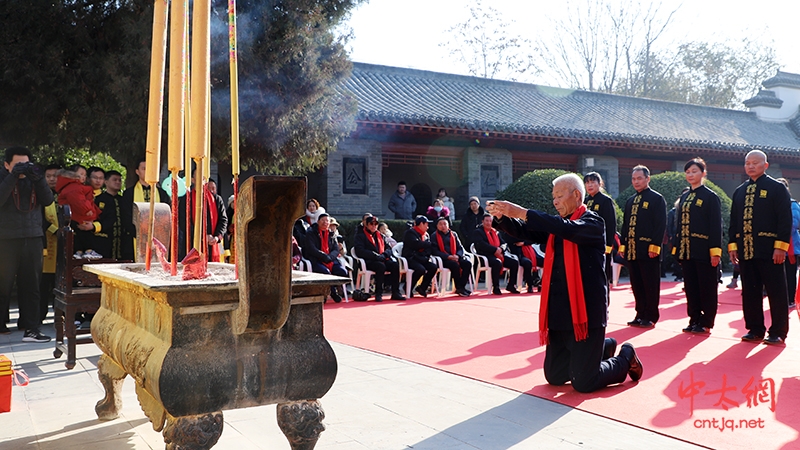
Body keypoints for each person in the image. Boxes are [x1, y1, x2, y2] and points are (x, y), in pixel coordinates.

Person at [486, 174, 642, 393]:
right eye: (554, 197)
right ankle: (603, 347)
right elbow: (524, 231)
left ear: (577, 195)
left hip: (586, 314)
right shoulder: (557, 226)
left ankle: (625, 357)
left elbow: (566, 229)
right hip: (560, 312)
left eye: (559, 195)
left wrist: (522, 212)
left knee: (584, 382)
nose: (555, 201)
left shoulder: (592, 223)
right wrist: (502, 217)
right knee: (555, 377)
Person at [729, 150, 791, 345]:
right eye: (747, 163)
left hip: (770, 250)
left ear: (765, 165)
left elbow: (784, 220)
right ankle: (755, 329)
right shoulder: (739, 191)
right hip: (746, 250)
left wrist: (780, 247)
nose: (750, 166)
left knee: (776, 291)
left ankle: (778, 331)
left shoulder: (776, 188)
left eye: (755, 163)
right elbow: (733, 222)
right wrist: (732, 246)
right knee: (750, 291)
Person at [0, 147, 54, 342]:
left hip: (32, 237)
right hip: (5, 239)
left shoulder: (34, 178)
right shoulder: (3, 177)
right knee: (3, 284)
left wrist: (38, 178)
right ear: (6, 165)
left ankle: (30, 327)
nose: (22, 168)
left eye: (26, 163)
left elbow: (48, 200)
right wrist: (12, 177)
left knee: (32, 285)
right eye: (17, 165)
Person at [672, 158, 722, 334]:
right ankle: (693, 318)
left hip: (704, 250)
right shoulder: (685, 196)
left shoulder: (710, 196)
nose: (691, 175)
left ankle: (706, 321)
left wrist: (715, 252)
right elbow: (678, 224)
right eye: (688, 172)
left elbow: (716, 226)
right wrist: (677, 248)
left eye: (694, 171)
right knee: (691, 286)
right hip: (686, 249)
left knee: (707, 287)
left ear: (703, 173)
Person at [620, 165, 666, 328]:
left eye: (640, 178)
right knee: (637, 284)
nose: (636, 182)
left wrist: (655, 246)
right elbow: (625, 225)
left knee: (650, 284)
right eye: (633, 179)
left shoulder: (656, 198)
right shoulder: (630, 200)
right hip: (632, 249)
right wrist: (623, 246)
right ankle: (640, 313)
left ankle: (651, 316)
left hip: (648, 250)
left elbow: (660, 224)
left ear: (648, 179)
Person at [120, 159, 169, 262]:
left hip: (158, 237)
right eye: (144, 168)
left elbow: (166, 216)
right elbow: (126, 216)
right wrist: (140, 234)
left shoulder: (162, 193)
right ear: (137, 171)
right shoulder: (129, 194)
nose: (147, 171)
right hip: (134, 237)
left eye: (150, 169)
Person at [354, 214, 406, 301]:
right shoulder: (360, 236)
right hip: (369, 261)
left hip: (382, 258)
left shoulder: (381, 236)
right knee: (380, 266)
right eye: (371, 224)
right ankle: (378, 293)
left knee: (395, 265)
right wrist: (375, 255)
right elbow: (360, 251)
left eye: (376, 224)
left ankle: (395, 292)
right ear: (366, 225)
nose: (374, 226)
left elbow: (389, 249)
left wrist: (384, 255)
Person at [56, 169, 102, 258]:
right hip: (81, 215)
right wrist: (87, 210)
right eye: (81, 174)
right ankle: (88, 251)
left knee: (79, 235)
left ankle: (79, 251)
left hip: (75, 215)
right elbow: (78, 201)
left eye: (85, 175)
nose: (83, 177)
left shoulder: (69, 187)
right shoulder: (73, 188)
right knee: (86, 234)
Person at [471, 213, 520, 295]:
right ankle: (496, 287)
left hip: (499, 254)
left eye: (490, 221)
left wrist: (500, 249)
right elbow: (481, 245)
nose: (488, 223)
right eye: (486, 221)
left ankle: (511, 285)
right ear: (482, 221)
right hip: (486, 256)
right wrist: (495, 250)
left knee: (514, 262)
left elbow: (504, 243)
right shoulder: (478, 232)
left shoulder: (495, 231)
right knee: (497, 263)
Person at [304, 213, 347, 303]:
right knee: (325, 272)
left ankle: (332, 290)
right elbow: (311, 249)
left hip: (330, 259)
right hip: (317, 259)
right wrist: (324, 256)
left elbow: (336, 249)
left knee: (342, 272)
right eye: (323, 220)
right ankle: (332, 292)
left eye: (327, 221)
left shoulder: (331, 234)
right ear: (318, 221)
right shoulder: (311, 232)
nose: (325, 222)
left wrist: (329, 257)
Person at [584, 172, 616, 286]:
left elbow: (611, 224)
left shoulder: (605, 200)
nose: (590, 185)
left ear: (600, 183)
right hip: (586, 245)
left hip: (601, 245)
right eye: (587, 182)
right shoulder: (585, 202)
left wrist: (608, 245)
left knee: (602, 277)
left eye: (593, 182)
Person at [94, 170, 131, 260]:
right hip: (104, 240)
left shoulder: (124, 200)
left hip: (122, 241)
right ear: (106, 182)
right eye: (115, 180)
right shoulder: (98, 199)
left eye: (119, 180)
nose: (118, 182)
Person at [431, 216, 472, 297]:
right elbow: (435, 251)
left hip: (455, 257)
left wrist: (458, 256)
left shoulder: (453, 234)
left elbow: (460, 248)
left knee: (467, 264)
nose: (443, 226)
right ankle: (459, 287)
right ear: (437, 226)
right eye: (440, 224)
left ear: (448, 225)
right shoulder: (434, 236)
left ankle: (461, 286)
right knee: (454, 265)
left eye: (445, 224)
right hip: (443, 259)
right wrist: (448, 256)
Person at [777, 178, 800, 309]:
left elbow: (793, 224)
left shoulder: (793, 205)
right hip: (775, 246)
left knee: (790, 274)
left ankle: (790, 299)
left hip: (790, 246)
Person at [402, 215, 438, 298]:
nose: (427, 226)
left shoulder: (426, 235)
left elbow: (429, 248)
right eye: (426, 224)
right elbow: (415, 244)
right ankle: (408, 287)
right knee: (420, 269)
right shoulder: (410, 232)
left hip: (421, 257)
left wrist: (426, 253)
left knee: (433, 267)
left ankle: (422, 288)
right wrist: (428, 244)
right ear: (421, 224)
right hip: (411, 257)